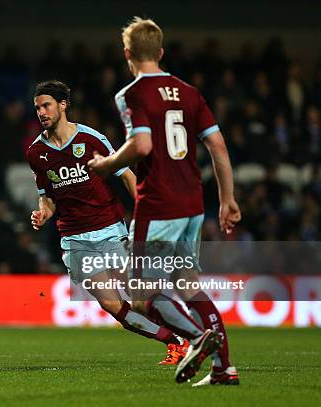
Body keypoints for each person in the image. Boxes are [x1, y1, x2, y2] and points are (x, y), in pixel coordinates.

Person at [87, 18, 240, 385]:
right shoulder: (189, 92)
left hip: (157, 203)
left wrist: (107, 163)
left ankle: (197, 338)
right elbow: (217, 145)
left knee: (141, 297)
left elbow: (141, 145)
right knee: (188, 283)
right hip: (193, 203)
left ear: (127, 54)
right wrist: (228, 199)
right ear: (161, 52)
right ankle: (224, 368)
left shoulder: (132, 94)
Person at [27, 80, 189, 365]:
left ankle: (195, 335)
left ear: (63, 105)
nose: (41, 112)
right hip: (74, 239)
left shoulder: (91, 139)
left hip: (109, 229)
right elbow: (48, 197)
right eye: (38, 107)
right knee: (112, 304)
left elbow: (126, 175)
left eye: (47, 105)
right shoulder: (35, 154)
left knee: (141, 295)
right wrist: (44, 213)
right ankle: (174, 342)